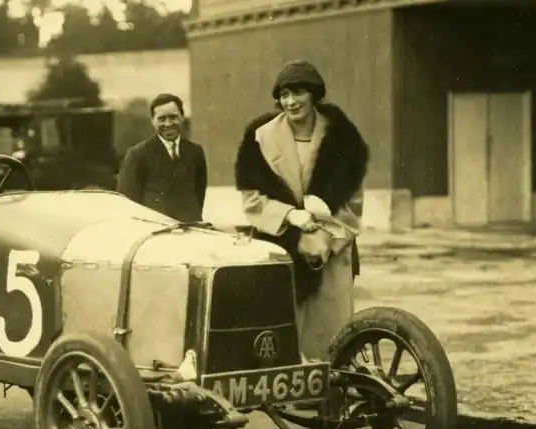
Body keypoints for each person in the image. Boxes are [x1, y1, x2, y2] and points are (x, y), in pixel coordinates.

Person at [234, 60, 369, 363]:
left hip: (331, 254)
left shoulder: (343, 137)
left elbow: (353, 202)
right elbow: (252, 198)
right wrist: (287, 215)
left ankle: (331, 389)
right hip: (281, 248)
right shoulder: (261, 136)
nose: (291, 102)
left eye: (298, 93)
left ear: (314, 94)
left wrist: (324, 242)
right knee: (285, 331)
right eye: (284, 95)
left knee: (330, 334)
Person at [116, 93, 208, 223]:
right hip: (156, 230)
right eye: (162, 119)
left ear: (182, 117)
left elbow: (199, 194)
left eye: (173, 117)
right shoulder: (138, 154)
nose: (168, 123)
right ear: (153, 121)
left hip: (190, 229)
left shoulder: (195, 152)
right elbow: (127, 202)